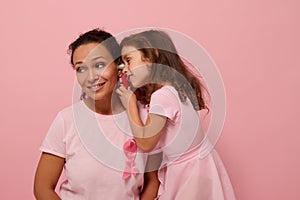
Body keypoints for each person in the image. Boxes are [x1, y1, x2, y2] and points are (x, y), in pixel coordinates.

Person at [34, 28, 159, 200]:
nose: (90, 76)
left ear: (119, 66)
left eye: (99, 65)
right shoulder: (66, 120)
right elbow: (42, 187)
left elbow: (153, 181)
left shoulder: (144, 117)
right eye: (81, 69)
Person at [116, 30, 236, 199]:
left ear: (153, 56)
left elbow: (146, 143)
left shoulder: (162, 96)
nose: (125, 69)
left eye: (128, 60)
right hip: (199, 167)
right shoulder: (174, 88)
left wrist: (130, 105)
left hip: (189, 174)